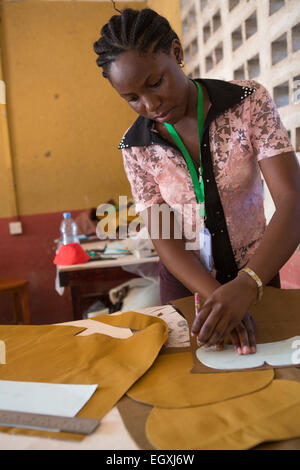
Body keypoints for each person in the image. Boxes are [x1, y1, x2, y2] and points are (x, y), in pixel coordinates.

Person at [93, 7, 300, 355]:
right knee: (193, 381)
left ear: (176, 53)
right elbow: (164, 233)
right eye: (131, 98)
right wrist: (217, 296)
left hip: (259, 272)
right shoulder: (136, 148)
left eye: (155, 83)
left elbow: (293, 199)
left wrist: (247, 285)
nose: (150, 104)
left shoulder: (247, 104)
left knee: (268, 372)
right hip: (185, 285)